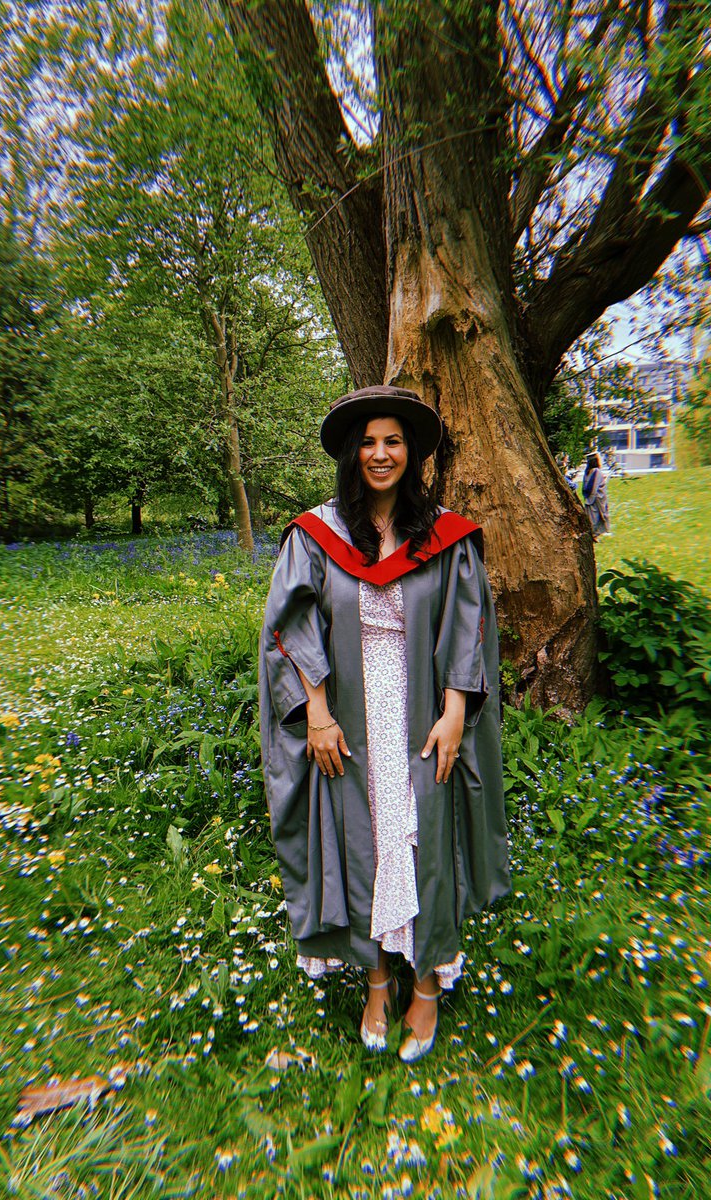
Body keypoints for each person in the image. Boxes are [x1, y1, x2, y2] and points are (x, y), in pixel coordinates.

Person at [259, 385, 511, 1063]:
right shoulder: (316, 534)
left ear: (411, 453)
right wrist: (314, 712)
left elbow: (468, 622)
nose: (380, 453)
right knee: (362, 837)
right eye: (367, 441)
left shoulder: (445, 535)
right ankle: (376, 977)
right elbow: (292, 622)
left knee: (421, 835)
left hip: (423, 709)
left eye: (392, 441)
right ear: (351, 452)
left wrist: (457, 708)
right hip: (348, 713)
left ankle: (425, 980)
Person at [582, 452, 610, 540]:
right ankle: (595, 534)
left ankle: (593, 534)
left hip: (589, 497)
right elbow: (596, 486)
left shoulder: (587, 471)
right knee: (596, 517)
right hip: (595, 498)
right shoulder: (596, 471)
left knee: (591, 517)